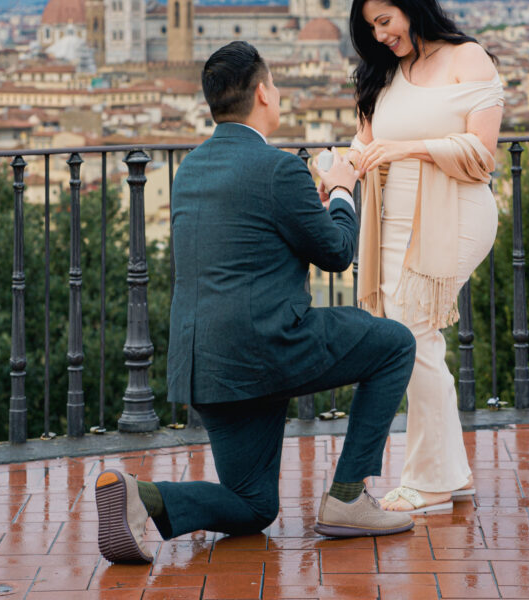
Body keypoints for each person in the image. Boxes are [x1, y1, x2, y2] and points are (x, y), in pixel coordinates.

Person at [95, 40, 417, 563]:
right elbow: (337, 253)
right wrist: (340, 190)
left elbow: (249, 242)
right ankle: (348, 498)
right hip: (269, 348)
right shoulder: (280, 169)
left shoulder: (191, 170)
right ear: (263, 91)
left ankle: (142, 495)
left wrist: (304, 213)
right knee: (395, 344)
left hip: (206, 365)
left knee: (253, 505)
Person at [348, 0, 503, 517]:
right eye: (371, 29)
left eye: (385, 21)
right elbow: (362, 146)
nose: (381, 35)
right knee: (412, 341)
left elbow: (482, 155)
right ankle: (449, 474)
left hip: (453, 211)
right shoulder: (383, 74)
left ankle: (431, 481)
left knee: (412, 337)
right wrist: (332, 176)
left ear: (412, 4)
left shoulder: (468, 57)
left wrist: (406, 151)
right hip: (392, 222)